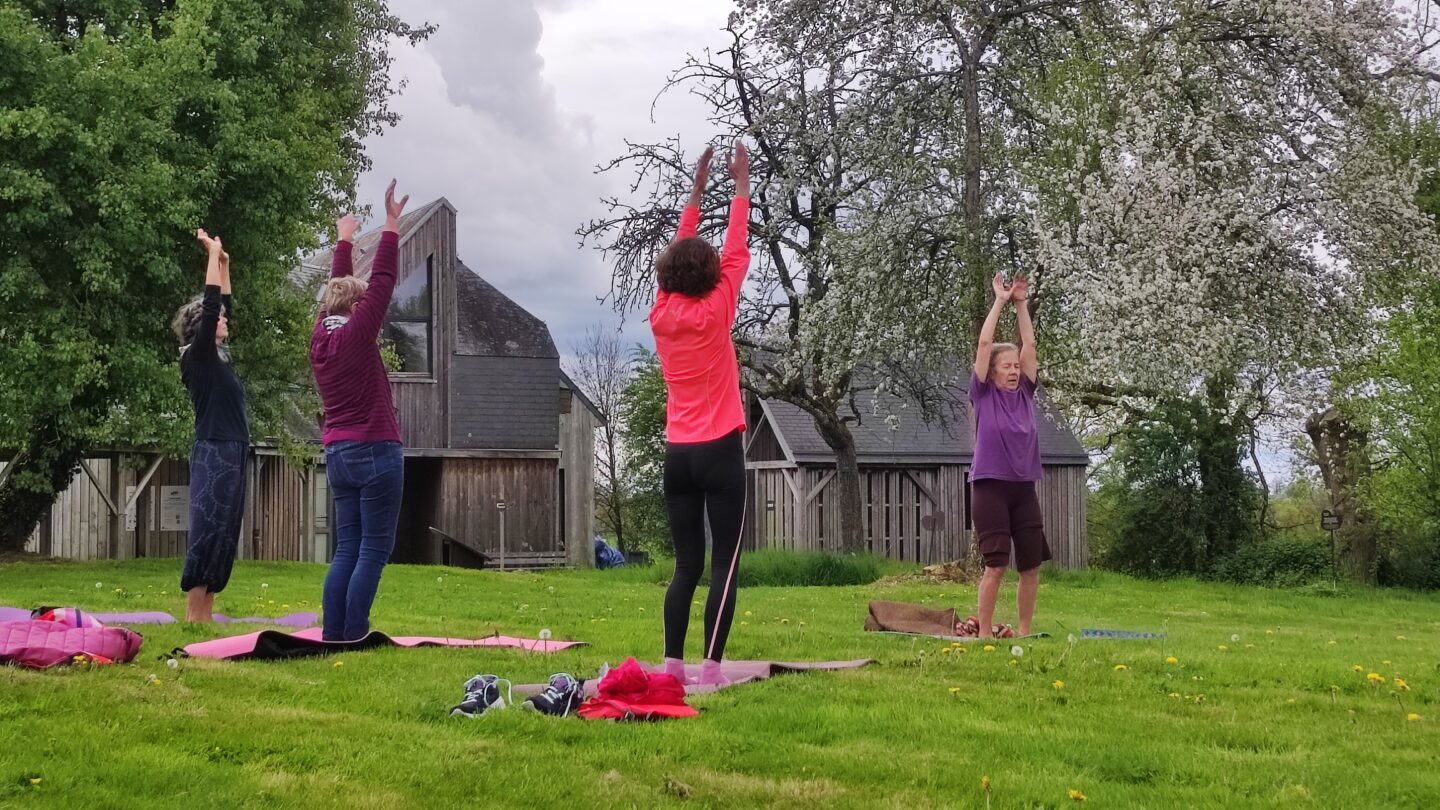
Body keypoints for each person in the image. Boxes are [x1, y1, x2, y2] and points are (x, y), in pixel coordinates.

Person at [650, 141, 751, 686]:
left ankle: (671, 667)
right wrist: (740, 187)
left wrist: (695, 193)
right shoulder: (717, 309)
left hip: (677, 455)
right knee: (723, 566)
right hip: (719, 451)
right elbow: (736, 249)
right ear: (710, 276)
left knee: (685, 566)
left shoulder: (661, 314)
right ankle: (710, 669)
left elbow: (679, 257)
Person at [311, 181, 408, 641]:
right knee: (373, 548)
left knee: (347, 547)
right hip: (374, 449)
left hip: (337, 453)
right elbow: (385, 282)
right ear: (355, 306)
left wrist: (344, 240)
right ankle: (354, 632)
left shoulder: (320, 338)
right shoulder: (355, 334)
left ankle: (335, 632)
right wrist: (390, 225)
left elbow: (337, 291)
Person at [969, 272, 1050, 639]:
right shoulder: (984, 394)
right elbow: (985, 343)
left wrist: (1021, 304)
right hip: (990, 486)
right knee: (996, 565)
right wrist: (1000, 300)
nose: (1014, 370)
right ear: (994, 372)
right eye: (1007, 366)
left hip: (1022, 488)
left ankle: (1024, 630)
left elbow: (1029, 342)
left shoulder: (1025, 393)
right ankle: (984, 632)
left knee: (1030, 566)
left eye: (1017, 366)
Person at [174, 229, 249, 622]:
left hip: (234, 450)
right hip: (214, 450)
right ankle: (193, 617)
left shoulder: (217, 355)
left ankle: (204, 619)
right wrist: (212, 255)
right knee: (207, 531)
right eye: (217, 319)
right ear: (202, 326)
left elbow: (226, 303)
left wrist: (224, 264)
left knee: (223, 535)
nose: (224, 320)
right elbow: (213, 300)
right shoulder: (197, 357)